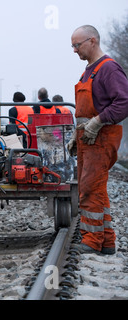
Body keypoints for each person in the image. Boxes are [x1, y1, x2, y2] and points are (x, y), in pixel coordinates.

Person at [67, 25, 128, 255]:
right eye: (72, 46)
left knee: (90, 188)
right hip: (88, 139)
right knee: (96, 188)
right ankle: (107, 242)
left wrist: (97, 122)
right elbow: (84, 111)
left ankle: (92, 241)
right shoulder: (88, 71)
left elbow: (123, 103)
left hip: (100, 138)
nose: (74, 50)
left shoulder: (109, 69)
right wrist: (77, 133)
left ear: (92, 41)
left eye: (77, 45)